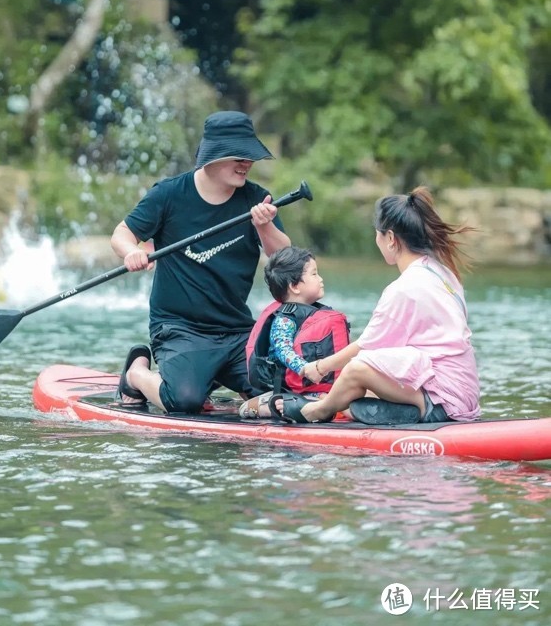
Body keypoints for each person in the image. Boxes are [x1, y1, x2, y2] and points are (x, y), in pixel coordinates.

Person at [110, 111, 291, 414]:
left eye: (250, 156)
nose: (246, 163)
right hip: (180, 329)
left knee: (280, 392)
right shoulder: (168, 195)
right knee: (184, 401)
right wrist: (131, 252)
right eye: (238, 155)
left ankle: (210, 375)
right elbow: (121, 234)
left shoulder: (257, 199)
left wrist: (264, 226)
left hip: (237, 331)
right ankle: (136, 374)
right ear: (212, 156)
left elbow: (283, 257)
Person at [272, 186, 481, 425]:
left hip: (443, 399)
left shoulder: (405, 288)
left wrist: (318, 367)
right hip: (465, 394)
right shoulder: (443, 273)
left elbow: (365, 348)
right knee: (360, 389)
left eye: (378, 234)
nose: (377, 240)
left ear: (390, 238)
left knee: (356, 370)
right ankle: (364, 408)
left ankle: (317, 411)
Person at [240, 246, 350, 418]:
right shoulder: (285, 320)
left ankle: (327, 401)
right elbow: (283, 350)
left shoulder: (317, 313)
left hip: (321, 388)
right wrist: (304, 368)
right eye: (314, 274)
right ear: (294, 286)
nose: (321, 279)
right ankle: (257, 405)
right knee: (247, 409)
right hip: (288, 391)